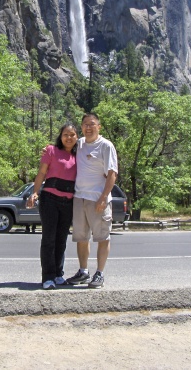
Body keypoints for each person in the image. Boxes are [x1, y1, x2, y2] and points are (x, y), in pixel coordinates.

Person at [67, 113, 118, 289]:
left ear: (99, 126)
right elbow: (62, 148)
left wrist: (103, 197)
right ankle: (83, 271)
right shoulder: (79, 144)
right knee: (81, 238)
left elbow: (112, 174)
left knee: (102, 237)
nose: (88, 128)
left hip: (98, 199)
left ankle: (100, 273)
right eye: (85, 125)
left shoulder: (105, 146)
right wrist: (47, 150)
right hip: (79, 198)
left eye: (92, 124)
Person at [26, 122, 78, 290]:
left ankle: (58, 274)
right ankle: (47, 277)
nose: (68, 137)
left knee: (61, 240)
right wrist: (35, 192)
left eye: (72, 135)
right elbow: (42, 172)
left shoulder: (80, 155)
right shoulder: (51, 150)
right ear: (60, 136)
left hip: (68, 202)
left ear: (77, 137)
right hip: (50, 200)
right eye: (65, 134)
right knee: (49, 239)